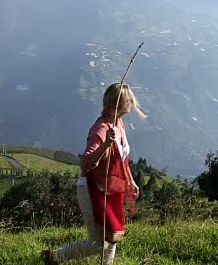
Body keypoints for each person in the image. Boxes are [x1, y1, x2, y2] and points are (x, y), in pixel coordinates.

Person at [42, 83, 146, 264]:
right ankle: (54, 257)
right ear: (119, 103)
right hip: (92, 189)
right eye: (129, 99)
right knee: (98, 243)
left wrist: (130, 181)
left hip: (108, 190)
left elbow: (122, 159)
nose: (132, 102)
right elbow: (86, 163)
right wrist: (106, 144)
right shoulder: (101, 129)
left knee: (111, 237)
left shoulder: (118, 124)